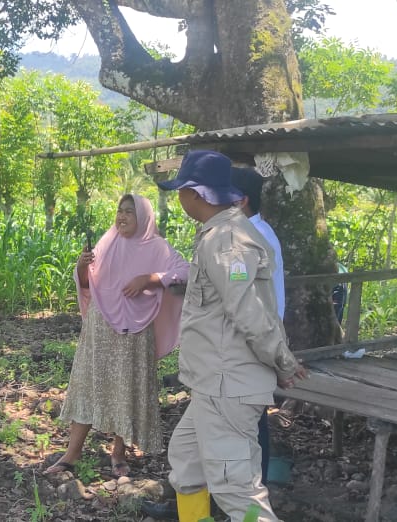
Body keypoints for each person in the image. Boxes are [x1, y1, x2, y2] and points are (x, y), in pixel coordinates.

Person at [155, 150, 307, 522]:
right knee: (188, 466)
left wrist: (283, 362)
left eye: (181, 190)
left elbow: (250, 312)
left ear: (196, 193)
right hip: (213, 381)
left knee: (236, 489)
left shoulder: (227, 241)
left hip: (228, 384)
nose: (179, 198)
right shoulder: (220, 234)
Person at [44, 194, 189, 477]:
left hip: (136, 330)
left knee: (125, 388)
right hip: (101, 325)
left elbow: (185, 272)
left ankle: (119, 452)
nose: (121, 217)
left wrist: (150, 279)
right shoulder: (108, 241)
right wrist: (82, 266)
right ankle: (72, 453)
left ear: (144, 218)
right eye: (119, 210)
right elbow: (89, 283)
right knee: (88, 384)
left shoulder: (157, 247)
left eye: (129, 213)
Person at [231, 167, 285, 480]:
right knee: (250, 419)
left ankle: (253, 498)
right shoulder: (255, 232)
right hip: (255, 339)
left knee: (251, 422)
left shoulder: (254, 239)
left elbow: (246, 296)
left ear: (241, 200)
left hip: (254, 341)